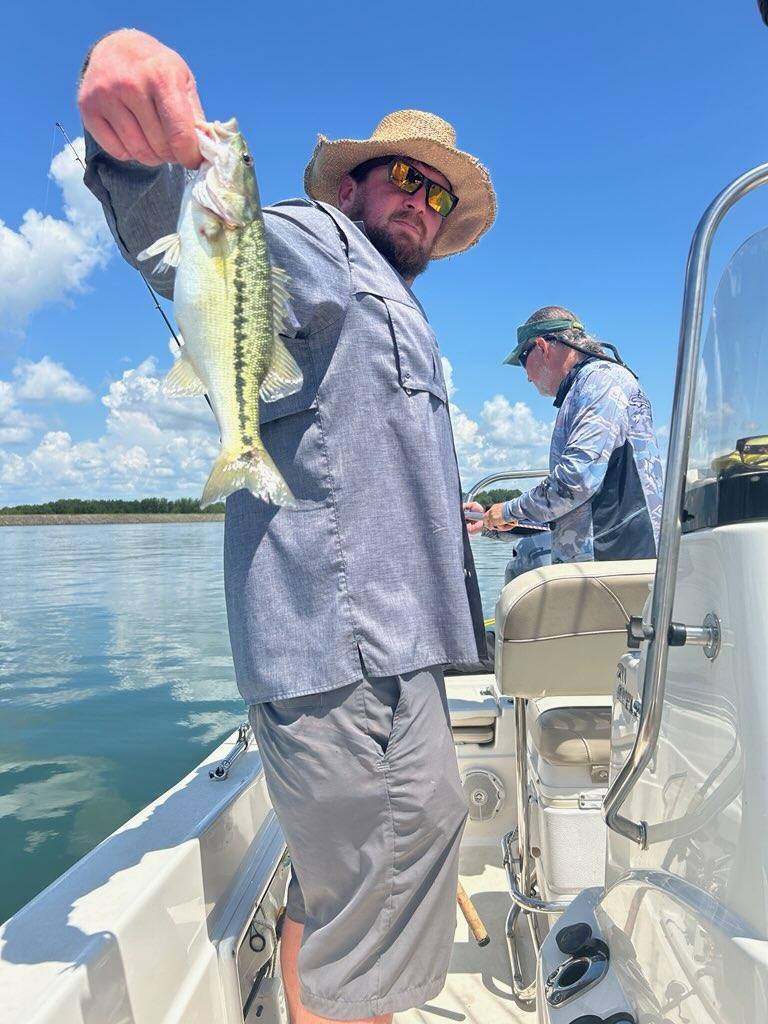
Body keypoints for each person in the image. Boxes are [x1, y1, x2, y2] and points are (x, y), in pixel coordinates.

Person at [78, 28, 495, 1024]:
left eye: (440, 196)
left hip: (393, 653)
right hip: (349, 654)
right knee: (379, 906)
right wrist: (135, 144)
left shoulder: (394, 296)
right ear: (349, 186)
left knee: (344, 890)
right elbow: (190, 236)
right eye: (405, 179)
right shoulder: (319, 240)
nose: (423, 206)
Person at [466, 306, 663, 569]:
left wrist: (509, 510)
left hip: (615, 564)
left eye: (523, 361)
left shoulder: (601, 382)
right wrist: (491, 522)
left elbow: (576, 481)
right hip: (598, 564)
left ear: (541, 347)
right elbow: (568, 506)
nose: (527, 376)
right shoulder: (585, 386)